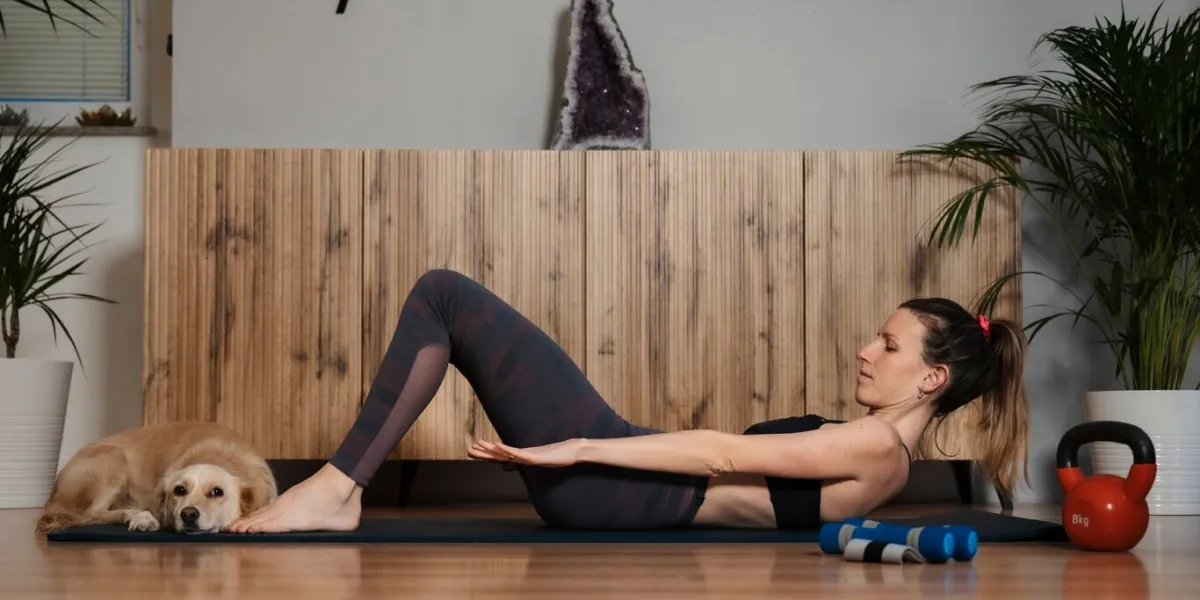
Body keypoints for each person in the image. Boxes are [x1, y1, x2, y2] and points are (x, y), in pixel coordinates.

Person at [227, 268, 1029, 534]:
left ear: (932, 379)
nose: (866, 350)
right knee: (446, 301)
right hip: (619, 486)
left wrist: (576, 447)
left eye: (889, 345)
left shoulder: (878, 449)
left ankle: (337, 488)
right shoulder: (879, 447)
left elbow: (720, 455)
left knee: (443, 295)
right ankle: (339, 489)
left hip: (616, 488)